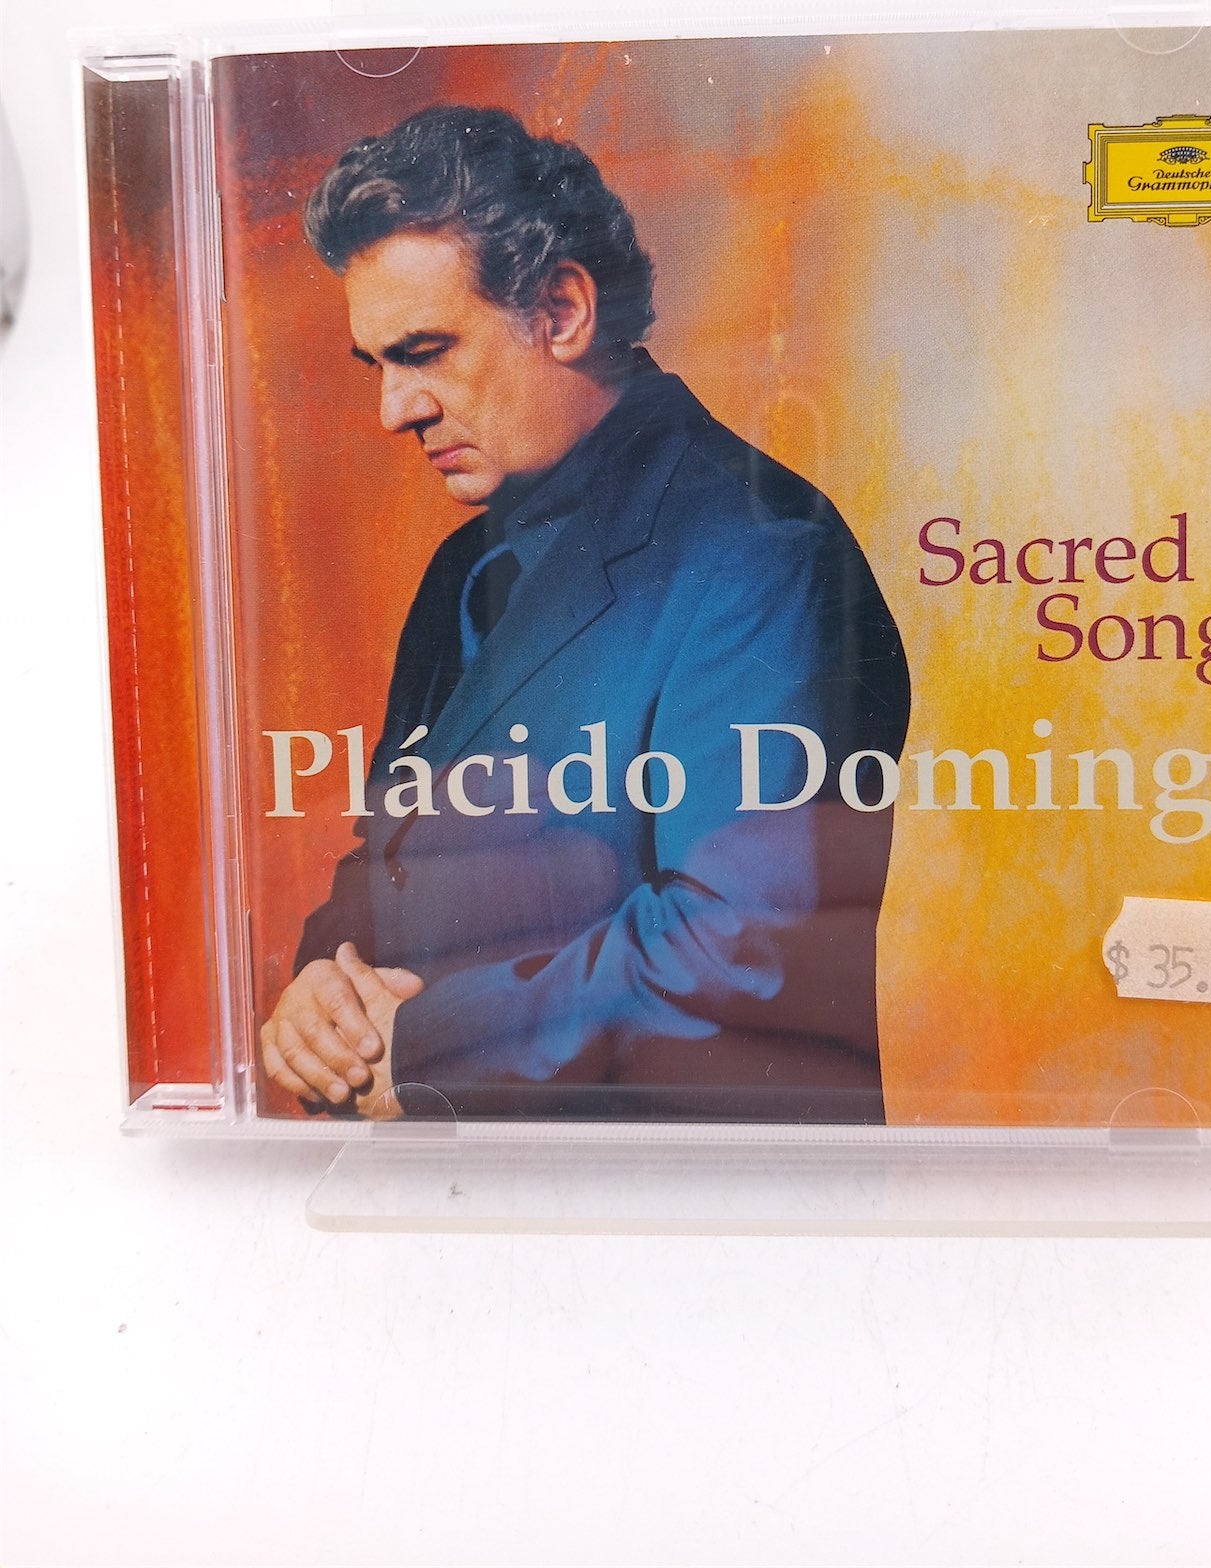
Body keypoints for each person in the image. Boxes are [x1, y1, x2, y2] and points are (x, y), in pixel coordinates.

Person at [259, 105, 910, 1122]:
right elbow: (393, 866)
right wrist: (318, 991)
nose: (395, 410)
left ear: (562, 310)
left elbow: (745, 951)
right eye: (377, 365)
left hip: (690, 1207)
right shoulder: (460, 571)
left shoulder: (762, 550)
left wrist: (430, 1047)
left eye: (425, 351)